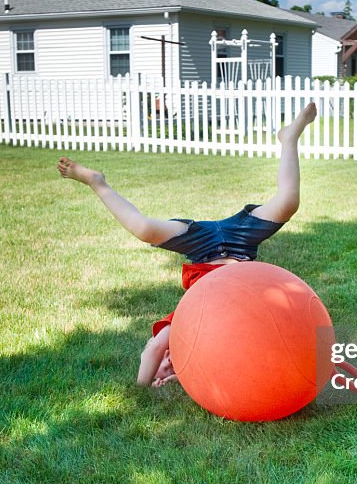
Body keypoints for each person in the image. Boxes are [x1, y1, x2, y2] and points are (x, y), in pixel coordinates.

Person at [58, 102, 318, 387]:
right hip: (242, 247)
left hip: (203, 249)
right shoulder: (202, 347)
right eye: (169, 369)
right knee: (288, 202)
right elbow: (216, 364)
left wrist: (142, 387)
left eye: (161, 366)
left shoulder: (182, 322)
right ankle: (289, 139)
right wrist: (177, 376)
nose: (166, 363)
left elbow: (155, 350)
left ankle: (98, 183)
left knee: (144, 229)